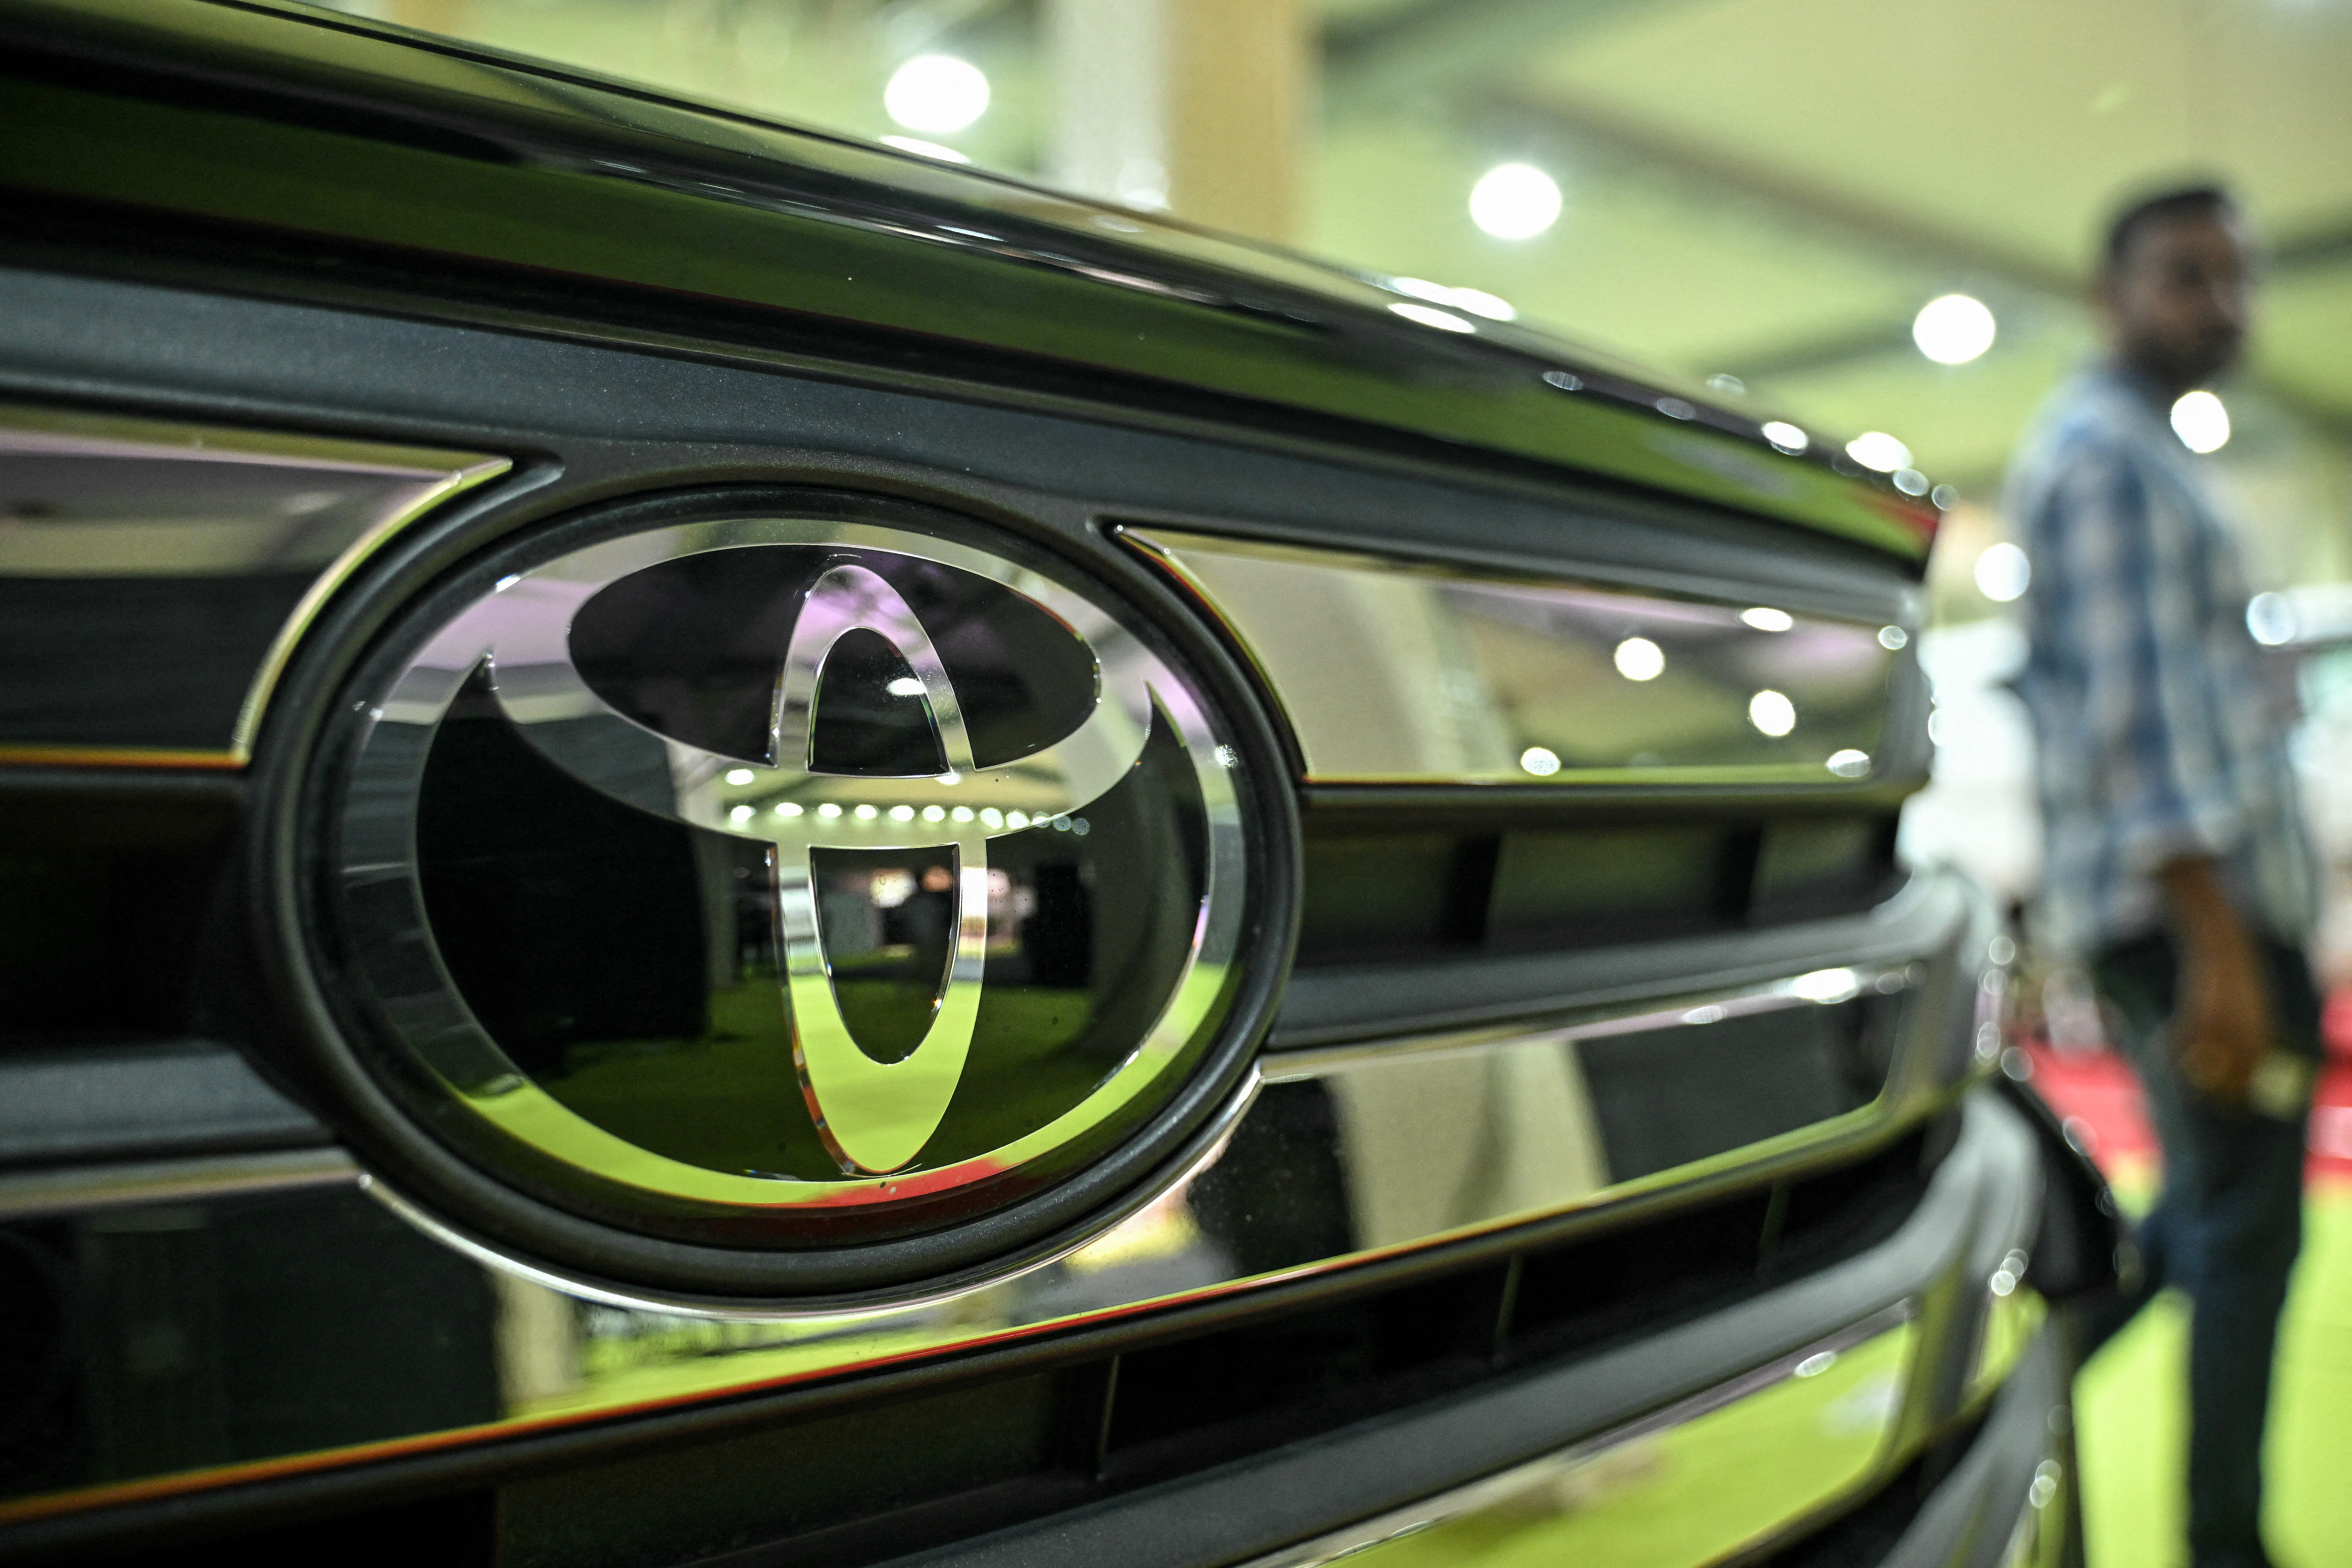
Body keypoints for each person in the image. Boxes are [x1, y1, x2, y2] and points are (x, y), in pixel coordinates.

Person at [2009, 184, 2319, 1568]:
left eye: (2234, 277)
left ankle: (2000, 1394)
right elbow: (2140, 730)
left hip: (2209, 913)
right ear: (2110, 294)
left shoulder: (2147, 455)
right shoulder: (2108, 462)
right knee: (2235, 1231)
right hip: (2196, 919)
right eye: (2183, 276)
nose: (2219, 303)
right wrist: (2219, 942)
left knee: (2215, 1216)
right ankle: (2220, 1543)